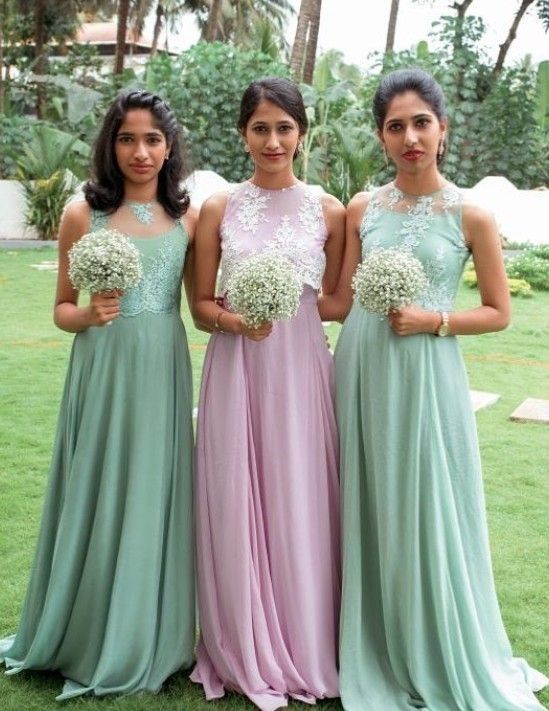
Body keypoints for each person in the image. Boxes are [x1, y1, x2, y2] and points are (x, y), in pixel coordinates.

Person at [320, 67, 548, 710]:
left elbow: (499, 312)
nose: (410, 137)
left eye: (422, 122)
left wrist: (434, 319)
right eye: (396, 126)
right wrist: (261, 300)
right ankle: (359, 639)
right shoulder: (364, 208)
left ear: (442, 130)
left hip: (426, 372)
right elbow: (338, 299)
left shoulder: (472, 213)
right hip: (360, 365)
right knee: (359, 498)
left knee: (424, 504)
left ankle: (428, 642)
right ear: (381, 137)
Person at [0, 90, 197, 700]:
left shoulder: (190, 217)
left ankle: (150, 632)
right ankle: (82, 629)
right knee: (97, 485)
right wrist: (88, 315)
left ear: (170, 148)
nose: (140, 152)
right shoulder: (83, 215)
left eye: (153, 140)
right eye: (127, 139)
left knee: (154, 490)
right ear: (110, 146)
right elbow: (61, 309)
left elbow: (203, 305)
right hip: (102, 363)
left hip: (163, 361)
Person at [190, 76, 345, 711]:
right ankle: (242, 643)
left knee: (300, 496)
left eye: (284, 128)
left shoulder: (330, 210)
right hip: (237, 363)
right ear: (243, 134)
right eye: (261, 128)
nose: (273, 140)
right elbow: (199, 306)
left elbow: (334, 302)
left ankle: (307, 642)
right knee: (236, 496)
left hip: (302, 367)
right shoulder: (218, 207)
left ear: (301, 134)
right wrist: (237, 320)